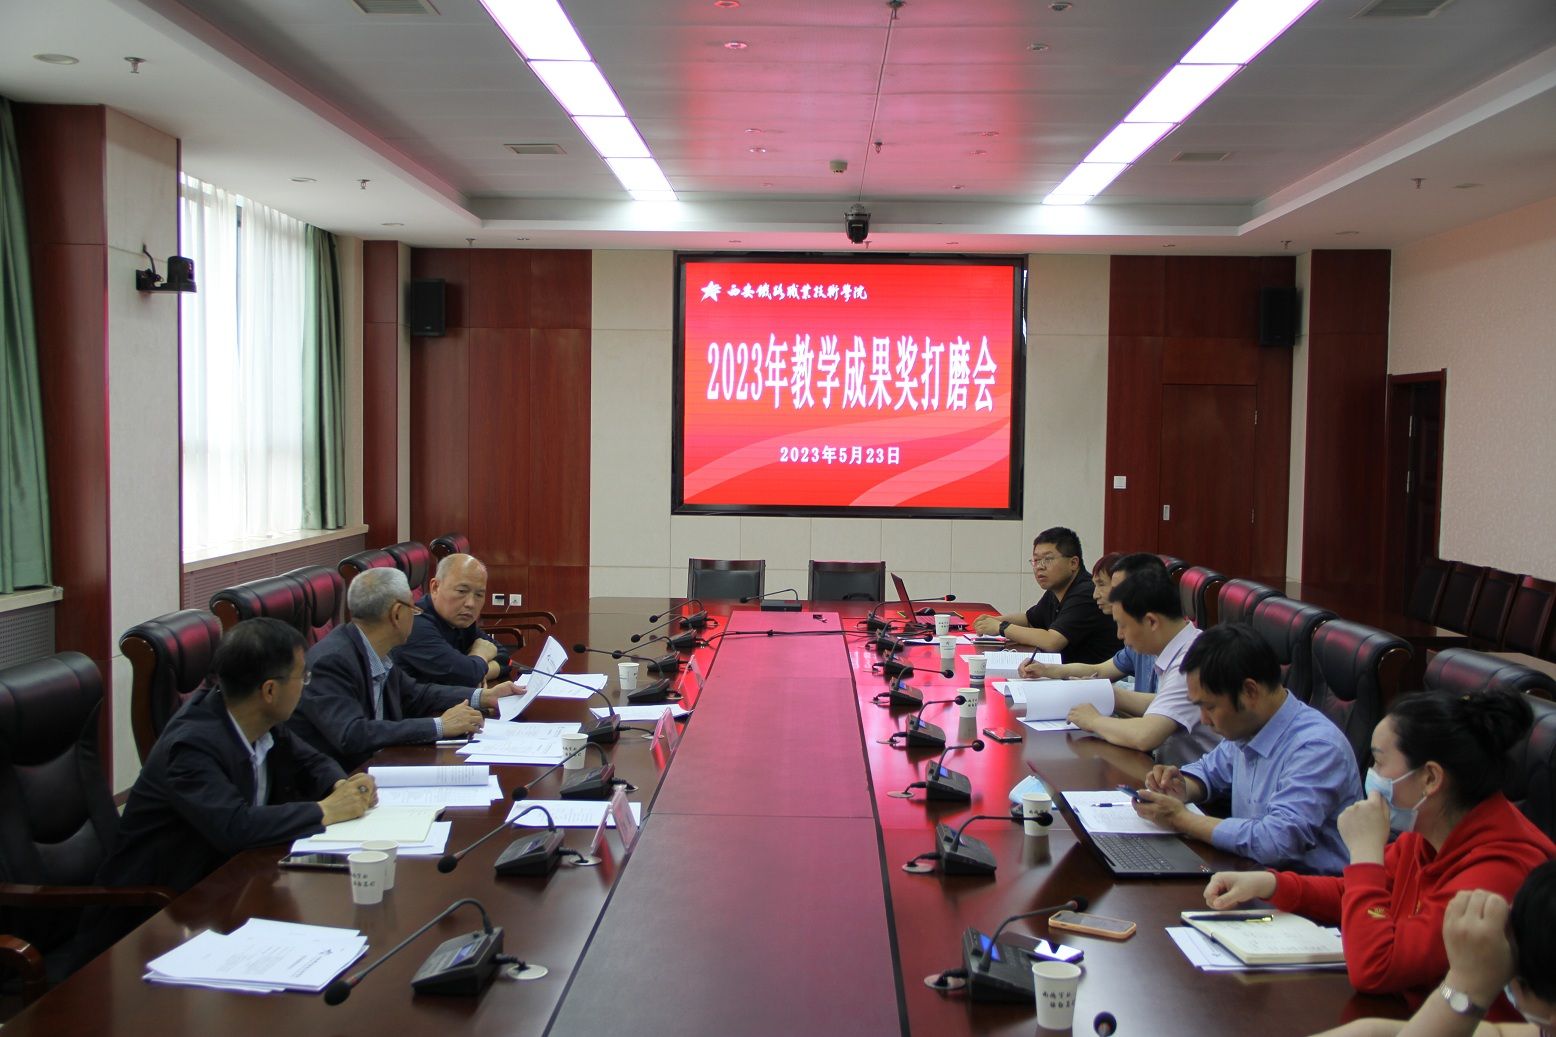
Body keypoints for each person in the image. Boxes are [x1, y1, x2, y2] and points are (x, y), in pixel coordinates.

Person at [1203, 687, 1555, 997]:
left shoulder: (1500, 869)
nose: (1371, 774)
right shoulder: (1431, 830)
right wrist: (1272, 884)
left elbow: (1376, 968)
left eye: (1379, 762)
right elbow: (1358, 893)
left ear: (1430, 778)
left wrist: (1366, 853)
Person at [97, 618, 376, 895]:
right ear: (270, 690)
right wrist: (325, 810)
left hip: (235, 880)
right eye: (302, 677)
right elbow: (234, 826)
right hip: (165, 904)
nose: (305, 685)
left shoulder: (258, 718)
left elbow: (311, 761)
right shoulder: (190, 746)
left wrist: (342, 786)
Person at [1130, 623, 1361, 874]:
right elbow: (1210, 771)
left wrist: (1182, 819)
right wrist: (1179, 785)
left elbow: (1277, 842)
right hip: (1250, 874)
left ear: (1250, 691)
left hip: (1306, 890)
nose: (1204, 720)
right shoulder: (1249, 726)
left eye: (1210, 707)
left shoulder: (1316, 748)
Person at [288, 567, 519, 771]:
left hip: (380, 766)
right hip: (343, 782)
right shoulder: (332, 661)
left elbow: (417, 694)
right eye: (413, 610)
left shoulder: (376, 650)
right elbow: (352, 733)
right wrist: (439, 726)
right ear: (397, 613)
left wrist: (484, 696)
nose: (415, 616)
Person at [1308, 862, 1556, 1035]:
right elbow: (1497, 1034)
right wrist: (1369, 1031)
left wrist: (1467, 986)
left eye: (1514, 974)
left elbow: (1376, 965)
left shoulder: (1499, 865)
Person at [1064, 564, 1217, 764]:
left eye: (1123, 625)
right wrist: (1105, 692)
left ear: (1151, 622)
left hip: (1193, 779)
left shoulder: (1191, 660)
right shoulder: (1179, 646)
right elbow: (1162, 703)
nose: (1119, 635)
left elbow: (1145, 736)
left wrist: (1093, 720)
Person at [972, 526, 1121, 664]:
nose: (1040, 567)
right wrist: (993, 620)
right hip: (1071, 674)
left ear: (1073, 563)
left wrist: (1001, 627)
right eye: (1036, 560)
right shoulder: (1057, 588)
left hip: (1097, 677)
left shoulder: (1086, 592)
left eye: (1048, 559)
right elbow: (1030, 620)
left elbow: (1052, 641)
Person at [1018, 552, 1162, 692]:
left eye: (1102, 585)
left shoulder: (1169, 650)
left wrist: (1104, 692)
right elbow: (1099, 670)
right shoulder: (1136, 644)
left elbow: (1161, 704)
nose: (1094, 595)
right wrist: (1045, 669)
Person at [394, 553, 511, 686]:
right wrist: (480, 655)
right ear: (435, 587)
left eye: (479, 595)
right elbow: (468, 675)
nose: (471, 603)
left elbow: (505, 659)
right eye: (461, 591)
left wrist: (478, 672)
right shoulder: (414, 626)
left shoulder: (460, 619)